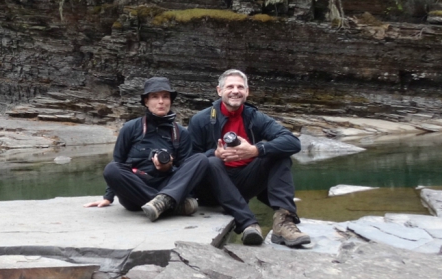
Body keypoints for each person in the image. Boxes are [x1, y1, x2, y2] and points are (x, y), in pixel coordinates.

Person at [187, 69, 310, 247]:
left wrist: (255, 150)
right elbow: (188, 159)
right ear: (219, 91)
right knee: (212, 162)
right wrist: (214, 153)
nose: (235, 91)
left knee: (279, 155)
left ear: (247, 92)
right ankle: (248, 223)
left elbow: (292, 142)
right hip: (212, 187)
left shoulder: (254, 117)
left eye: (240, 87)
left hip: (245, 181)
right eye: (230, 86)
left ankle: (284, 222)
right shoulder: (201, 119)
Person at [85, 77, 215, 221]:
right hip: (135, 190)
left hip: (167, 187)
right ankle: (171, 205)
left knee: (200, 159)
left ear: (170, 101)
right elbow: (118, 161)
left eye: (165, 96)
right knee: (111, 169)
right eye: (154, 97)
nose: (161, 101)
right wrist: (108, 197)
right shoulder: (130, 128)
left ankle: (164, 202)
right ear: (146, 101)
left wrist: (169, 168)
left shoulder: (181, 133)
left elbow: (185, 173)